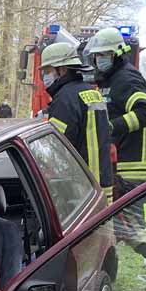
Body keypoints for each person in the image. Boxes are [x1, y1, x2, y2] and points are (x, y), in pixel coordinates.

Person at [85, 26, 146, 282]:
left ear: (117, 54)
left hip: (130, 162)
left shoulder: (127, 79)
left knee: (130, 220)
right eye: (96, 56)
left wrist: (112, 127)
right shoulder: (106, 81)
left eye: (103, 55)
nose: (99, 60)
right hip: (115, 162)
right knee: (123, 219)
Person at [38, 41, 113, 201]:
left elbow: (54, 148)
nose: (45, 77)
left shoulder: (65, 99)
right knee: (104, 224)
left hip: (81, 187)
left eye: (48, 71)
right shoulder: (91, 92)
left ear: (62, 69)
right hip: (103, 182)